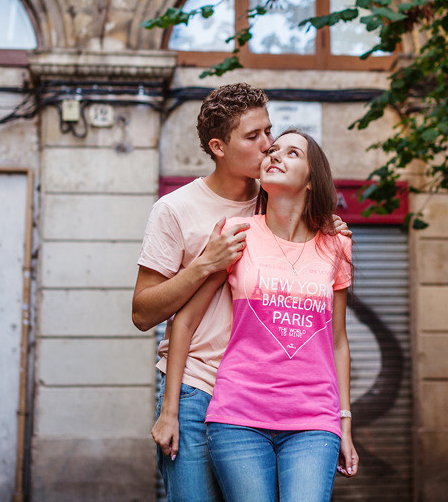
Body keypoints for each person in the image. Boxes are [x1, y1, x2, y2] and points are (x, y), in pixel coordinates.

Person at [152, 129, 359, 502]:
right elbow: (183, 322)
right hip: (238, 416)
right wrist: (169, 412)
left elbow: (339, 343)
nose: (274, 155)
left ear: (313, 180)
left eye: (292, 153)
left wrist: (345, 423)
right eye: (273, 150)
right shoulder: (238, 233)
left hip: (314, 420)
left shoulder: (337, 244)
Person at [132, 82, 272, 502]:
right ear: (218, 146)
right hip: (196, 389)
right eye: (253, 136)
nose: (268, 145)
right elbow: (142, 313)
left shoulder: (277, 201)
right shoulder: (175, 209)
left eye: (269, 130)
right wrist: (205, 264)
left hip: (259, 392)